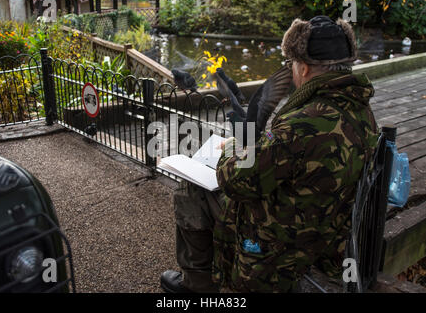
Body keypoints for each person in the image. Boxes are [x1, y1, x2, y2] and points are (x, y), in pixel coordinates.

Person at [160, 15, 380, 293]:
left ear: (305, 68)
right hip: (328, 233)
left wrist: (233, 148)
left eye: (291, 65)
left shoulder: (303, 123)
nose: (291, 72)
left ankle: (197, 286)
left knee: (190, 190)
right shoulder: (362, 112)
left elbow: (235, 180)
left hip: (279, 245)